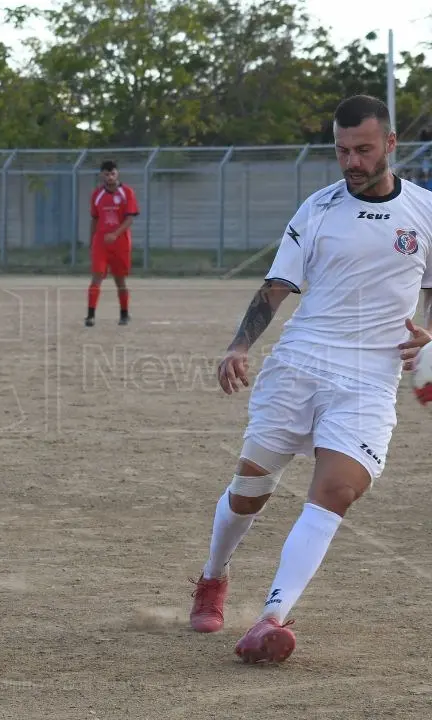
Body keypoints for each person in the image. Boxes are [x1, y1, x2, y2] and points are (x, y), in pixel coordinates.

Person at [189, 94, 432, 663]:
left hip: (369, 381)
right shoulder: (318, 208)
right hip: (301, 365)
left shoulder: (425, 211)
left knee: (338, 490)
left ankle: (271, 617)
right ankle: (212, 577)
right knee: (251, 491)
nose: (351, 161)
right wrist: (239, 344)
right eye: (342, 150)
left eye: (363, 150)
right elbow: (277, 286)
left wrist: (429, 338)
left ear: (391, 145)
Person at [85, 160, 139, 327]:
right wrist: (92, 241)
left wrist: (115, 234)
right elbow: (94, 219)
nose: (110, 177)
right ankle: (90, 315)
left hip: (120, 242)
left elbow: (130, 219)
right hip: (101, 243)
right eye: (106, 174)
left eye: (112, 173)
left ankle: (124, 314)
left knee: (120, 280)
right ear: (102, 175)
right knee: (96, 277)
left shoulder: (127, 193)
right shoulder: (97, 194)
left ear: (118, 174)